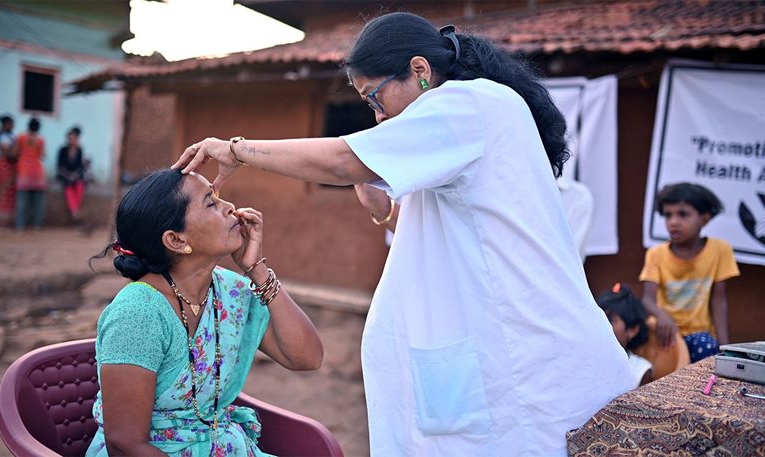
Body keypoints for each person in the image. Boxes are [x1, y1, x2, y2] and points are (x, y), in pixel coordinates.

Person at [173, 12, 631, 456]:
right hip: (504, 362)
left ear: (419, 70)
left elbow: (339, 161)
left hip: (521, 365)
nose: (376, 116)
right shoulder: (470, 116)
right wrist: (387, 213)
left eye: (376, 98)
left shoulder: (467, 104)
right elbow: (461, 235)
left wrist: (234, 149)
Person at [86, 168, 323, 456]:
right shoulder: (138, 313)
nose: (230, 208)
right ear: (176, 240)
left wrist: (257, 270)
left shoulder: (230, 291)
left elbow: (306, 357)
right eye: (211, 202)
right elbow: (125, 443)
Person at [640, 182, 740, 363]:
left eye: (683, 214)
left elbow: (719, 300)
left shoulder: (720, 250)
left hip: (699, 337)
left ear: (705, 219)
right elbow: (647, 299)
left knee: (707, 346)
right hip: (665, 334)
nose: (673, 222)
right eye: (668, 215)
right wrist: (662, 316)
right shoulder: (656, 254)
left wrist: (726, 349)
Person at [596, 283, 653, 388]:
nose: (603, 325)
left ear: (632, 330)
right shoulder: (589, 360)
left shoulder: (639, 371)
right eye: (600, 318)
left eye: (610, 320)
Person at [15, 117, 47, 230]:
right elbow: (43, 155)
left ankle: (20, 226)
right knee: (38, 202)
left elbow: (16, 152)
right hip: (37, 173)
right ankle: (37, 226)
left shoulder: (21, 137)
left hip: (24, 171)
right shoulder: (40, 140)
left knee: (22, 201)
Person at [56, 126, 88, 222]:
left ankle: (75, 209)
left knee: (80, 185)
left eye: (74, 138)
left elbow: (80, 167)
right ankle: (75, 211)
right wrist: (68, 175)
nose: (72, 140)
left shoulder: (79, 150)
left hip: (76, 175)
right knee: (68, 186)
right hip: (65, 175)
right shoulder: (62, 150)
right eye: (70, 138)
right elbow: (60, 167)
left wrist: (75, 175)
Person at [0, 115, 17, 225]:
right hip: (5, 165)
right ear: (5, 125)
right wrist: (17, 152)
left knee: (9, 191)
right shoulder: (3, 137)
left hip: (10, 166)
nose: (13, 126)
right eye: (11, 124)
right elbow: (7, 153)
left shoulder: (10, 136)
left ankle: (6, 219)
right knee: (4, 190)